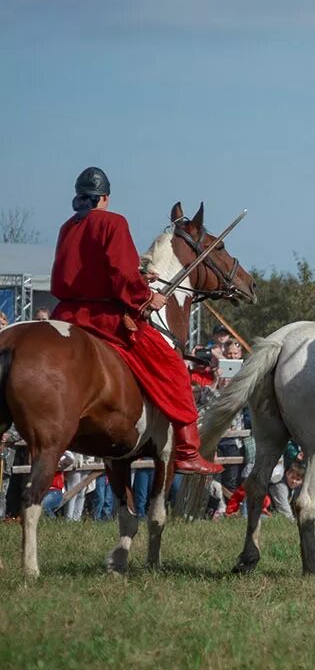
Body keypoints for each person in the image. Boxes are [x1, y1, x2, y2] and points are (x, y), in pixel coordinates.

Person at [50, 167, 223, 473]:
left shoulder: (67, 227)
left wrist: (142, 275)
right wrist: (147, 296)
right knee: (173, 368)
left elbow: (86, 272)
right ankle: (186, 451)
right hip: (103, 319)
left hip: (64, 314)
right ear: (104, 198)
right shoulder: (114, 222)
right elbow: (120, 275)